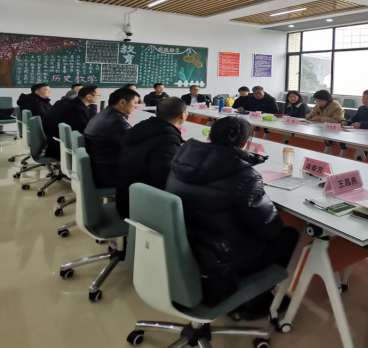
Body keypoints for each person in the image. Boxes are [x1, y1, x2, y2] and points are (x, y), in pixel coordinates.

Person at [166, 116, 299, 311]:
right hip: (220, 256)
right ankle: (253, 302)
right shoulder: (245, 176)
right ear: (245, 143)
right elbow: (271, 229)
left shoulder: (182, 158)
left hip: (184, 244)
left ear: (210, 135)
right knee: (288, 236)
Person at [116, 97, 187, 219]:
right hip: (142, 209)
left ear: (156, 112)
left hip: (125, 198)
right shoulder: (166, 139)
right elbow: (165, 180)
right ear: (183, 115)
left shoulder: (141, 127)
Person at [84, 87, 139, 188]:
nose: (136, 106)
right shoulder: (116, 121)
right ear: (122, 102)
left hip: (98, 165)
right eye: (135, 103)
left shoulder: (106, 113)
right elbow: (133, 146)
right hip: (107, 173)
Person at [43, 86, 102, 158]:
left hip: (63, 143)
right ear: (88, 96)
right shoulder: (74, 108)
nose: (99, 97)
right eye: (98, 95)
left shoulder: (77, 104)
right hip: (62, 148)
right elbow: (86, 129)